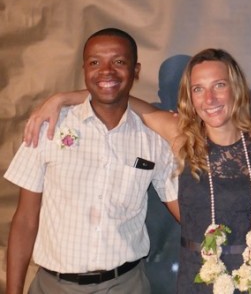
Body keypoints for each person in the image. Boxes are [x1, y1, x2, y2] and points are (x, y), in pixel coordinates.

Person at [21, 48, 251, 294]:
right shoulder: (181, 137)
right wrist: (61, 98)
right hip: (198, 276)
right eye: (198, 89)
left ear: (236, 88)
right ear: (190, 97)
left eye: (219, 85)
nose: (209, 98)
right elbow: (117, 98)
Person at [4, 28, 179, 294]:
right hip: (53, 286)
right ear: (84, 69)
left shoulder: (154, 140)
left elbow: (185, 212)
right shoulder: (48, 126)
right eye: (95, 62)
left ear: (136, 70)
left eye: (119, 61)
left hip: (126, 285)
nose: (106, 71)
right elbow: (25, 219)